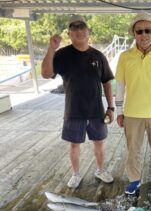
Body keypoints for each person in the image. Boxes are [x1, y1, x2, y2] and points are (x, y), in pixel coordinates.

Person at [41, 15, 114, 188]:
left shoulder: (98, 56)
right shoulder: (61, 55)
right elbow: (45, 74)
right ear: (69, 33)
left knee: (99, 142)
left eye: (82, 27)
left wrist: (110, 107)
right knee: (74, 144)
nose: (79, 31)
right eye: (74, 29)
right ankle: (75, 174)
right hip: (73, 109)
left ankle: (100, 170)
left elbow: (107, 82)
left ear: (88, 31)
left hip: (97, 109)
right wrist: (51, 49)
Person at [115, 12, 151, 196]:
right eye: (139, 31)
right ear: (134, 34)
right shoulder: (125, 56)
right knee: (133, 150)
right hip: (132, 113)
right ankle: (134, 179)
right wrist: (119, 111)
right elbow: (120, 86)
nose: (143, 35)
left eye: (147, 30)